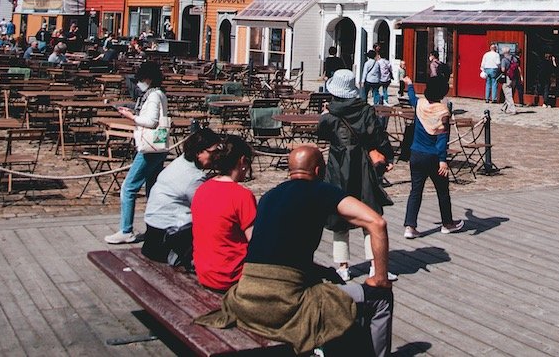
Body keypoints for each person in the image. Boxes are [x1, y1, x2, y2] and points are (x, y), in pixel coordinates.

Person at [197, 145, 394, 357]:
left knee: (329, 281)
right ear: (318, 170)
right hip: (282, 304)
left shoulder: (268, 197)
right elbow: (377, 223)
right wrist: (380, 278)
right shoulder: (321, 190)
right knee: (381, 297)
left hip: (245, 298)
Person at [316, 68, 395, 283]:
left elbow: (321, 134)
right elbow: (378, 136)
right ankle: (374, 265)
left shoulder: (329, 115)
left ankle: (343, 266)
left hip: (338, 165)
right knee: (370, 213)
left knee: (339, 215)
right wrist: (387, 156)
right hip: (362, 165)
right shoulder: (366, 111)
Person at [142, 128, 226, 268]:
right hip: (167, 241)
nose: (217, 156)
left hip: (153, 235)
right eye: (214, 152)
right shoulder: (194, 177)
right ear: (199, 152)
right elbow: (207, 210)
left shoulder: (180, 162)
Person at [106, 62, 169, 244]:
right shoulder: (159, 94)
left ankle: (126, 230)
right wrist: (133, 112)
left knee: (129, 187)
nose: (139, 83)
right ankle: (154, 228)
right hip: (159, 146)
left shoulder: (153, 96)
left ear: (147, 79)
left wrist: (131, 116)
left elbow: (150, 121)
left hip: (150, 148)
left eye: (140, 79)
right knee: (152, 189)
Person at [401, 74, 466, 238]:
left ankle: (410, 226)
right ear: (442, 93)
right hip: (433, 157)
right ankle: (447, 223)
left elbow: (412, 98)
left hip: (416, 153)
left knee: (415, 191)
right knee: (442, 191)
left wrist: (409, 84)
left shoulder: (420, 104)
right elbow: (442, 137)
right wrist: (443, 160)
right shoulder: (443, 111)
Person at [191, 135, 257, 291]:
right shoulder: (242, 196)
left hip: (205, 272)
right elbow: (255, 242)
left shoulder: (202, 189)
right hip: (231, 276)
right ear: (242, 161)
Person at [498, 47, 518, 114]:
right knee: (509, 92)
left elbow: (503, 69)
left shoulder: (504, 60)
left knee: (508, 94)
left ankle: (512, 109)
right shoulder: (514, 58)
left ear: (504, 52)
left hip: (507, 78)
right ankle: (504, 107)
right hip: (514, 78)